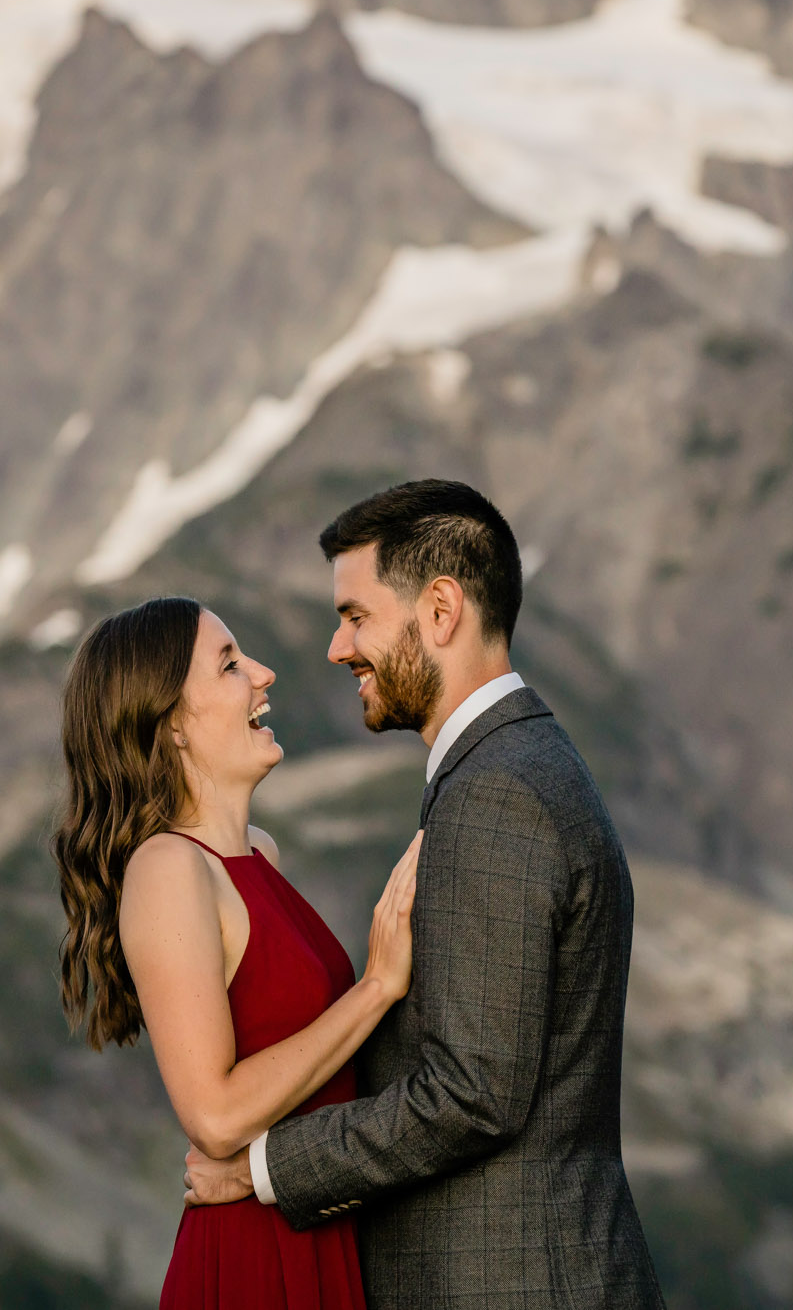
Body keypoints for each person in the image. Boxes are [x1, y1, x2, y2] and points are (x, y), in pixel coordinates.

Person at [185, 480, 666, 1308]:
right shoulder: (519, 765)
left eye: (356, 616)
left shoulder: (497, 792)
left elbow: (473, 1092)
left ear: (440, 610)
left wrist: (261, 1167)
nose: (338, 649)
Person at [54, 594, 422, 1309]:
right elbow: (215, 1116)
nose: (263, 673)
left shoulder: (260, 856)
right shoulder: (167, 869)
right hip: (254, 1259)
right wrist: (375, 986)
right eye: (229, 665)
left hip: (315, 1225)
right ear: (173, 728)